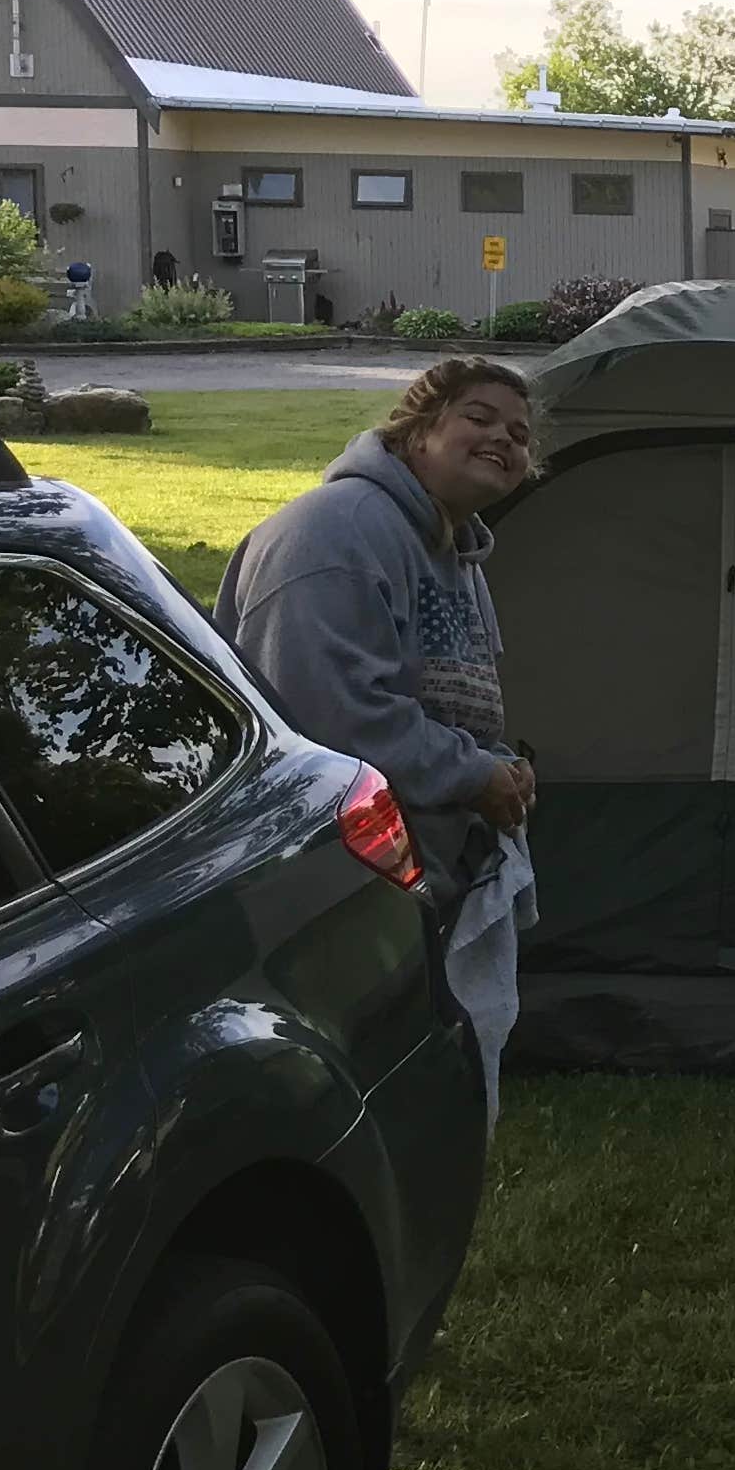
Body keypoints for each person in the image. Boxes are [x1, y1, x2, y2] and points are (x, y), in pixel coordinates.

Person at [214, 358, 542, 1103]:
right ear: (417, 430)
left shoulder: (454, 551)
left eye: (520, 434)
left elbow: (448, 702)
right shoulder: (335, 535)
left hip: (404, 867)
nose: (504, 440)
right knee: (334, 1086)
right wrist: (474, 776)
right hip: (319, 880)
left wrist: (496, 767)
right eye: (480, 418)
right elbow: (333, 720)